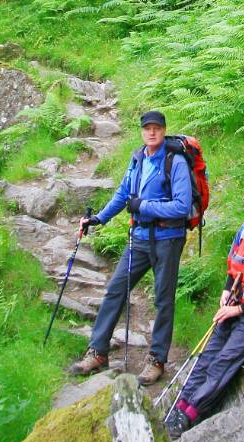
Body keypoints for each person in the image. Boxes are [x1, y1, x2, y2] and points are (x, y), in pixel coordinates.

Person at [164, 183, 244, 439]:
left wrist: (239, 310)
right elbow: (235, 268)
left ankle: (190, 414)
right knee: (207, 355)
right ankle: (178, 406)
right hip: (235, 303)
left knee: (224, 362)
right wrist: (226, 292)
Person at [71, 110, 192, 385]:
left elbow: (182, 205)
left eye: (157, 128)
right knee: (116, 289)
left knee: (163, 300)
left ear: (164, 130)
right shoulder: (137, 159)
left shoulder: (177, 162)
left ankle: (157, 360)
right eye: (147, 128)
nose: (152, 132)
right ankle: (98, 351)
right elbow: (123, 194)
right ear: (141, 131)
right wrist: (98, 218)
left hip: (167, 239)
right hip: (138, 238)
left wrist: (144, 207)